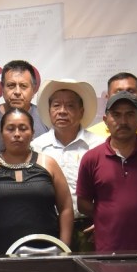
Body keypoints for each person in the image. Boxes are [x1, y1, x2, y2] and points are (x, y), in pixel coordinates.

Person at [75, 91, 137, 253]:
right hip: (108, 251)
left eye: (130, 114)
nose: (123, 121)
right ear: (105, 121)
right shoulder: (91, 158)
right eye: (116, 115)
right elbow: (83, 204)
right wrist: (107, 214)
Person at [0, 108, 73, 256]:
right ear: (1, 133)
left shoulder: (49, 164)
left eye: (23, 128)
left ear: (33, 133)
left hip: (46, 253)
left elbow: (66, 208)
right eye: (10, 129)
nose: (17, 134)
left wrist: (63, 249)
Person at [31, 78, 104, 251]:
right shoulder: (36, 147)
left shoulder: (99, 146)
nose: (62, 111)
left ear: (81, 111)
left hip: (89, 226)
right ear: (49, 110)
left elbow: (109, 190)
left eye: (70, 106)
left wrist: (103, 220)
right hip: (48, 227)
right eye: (56, 105)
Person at [0, 60, 49, 135]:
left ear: (33, 90)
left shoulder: (46, 118)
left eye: (23, 86)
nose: (17, 92)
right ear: (3, 88)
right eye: (11, 85)